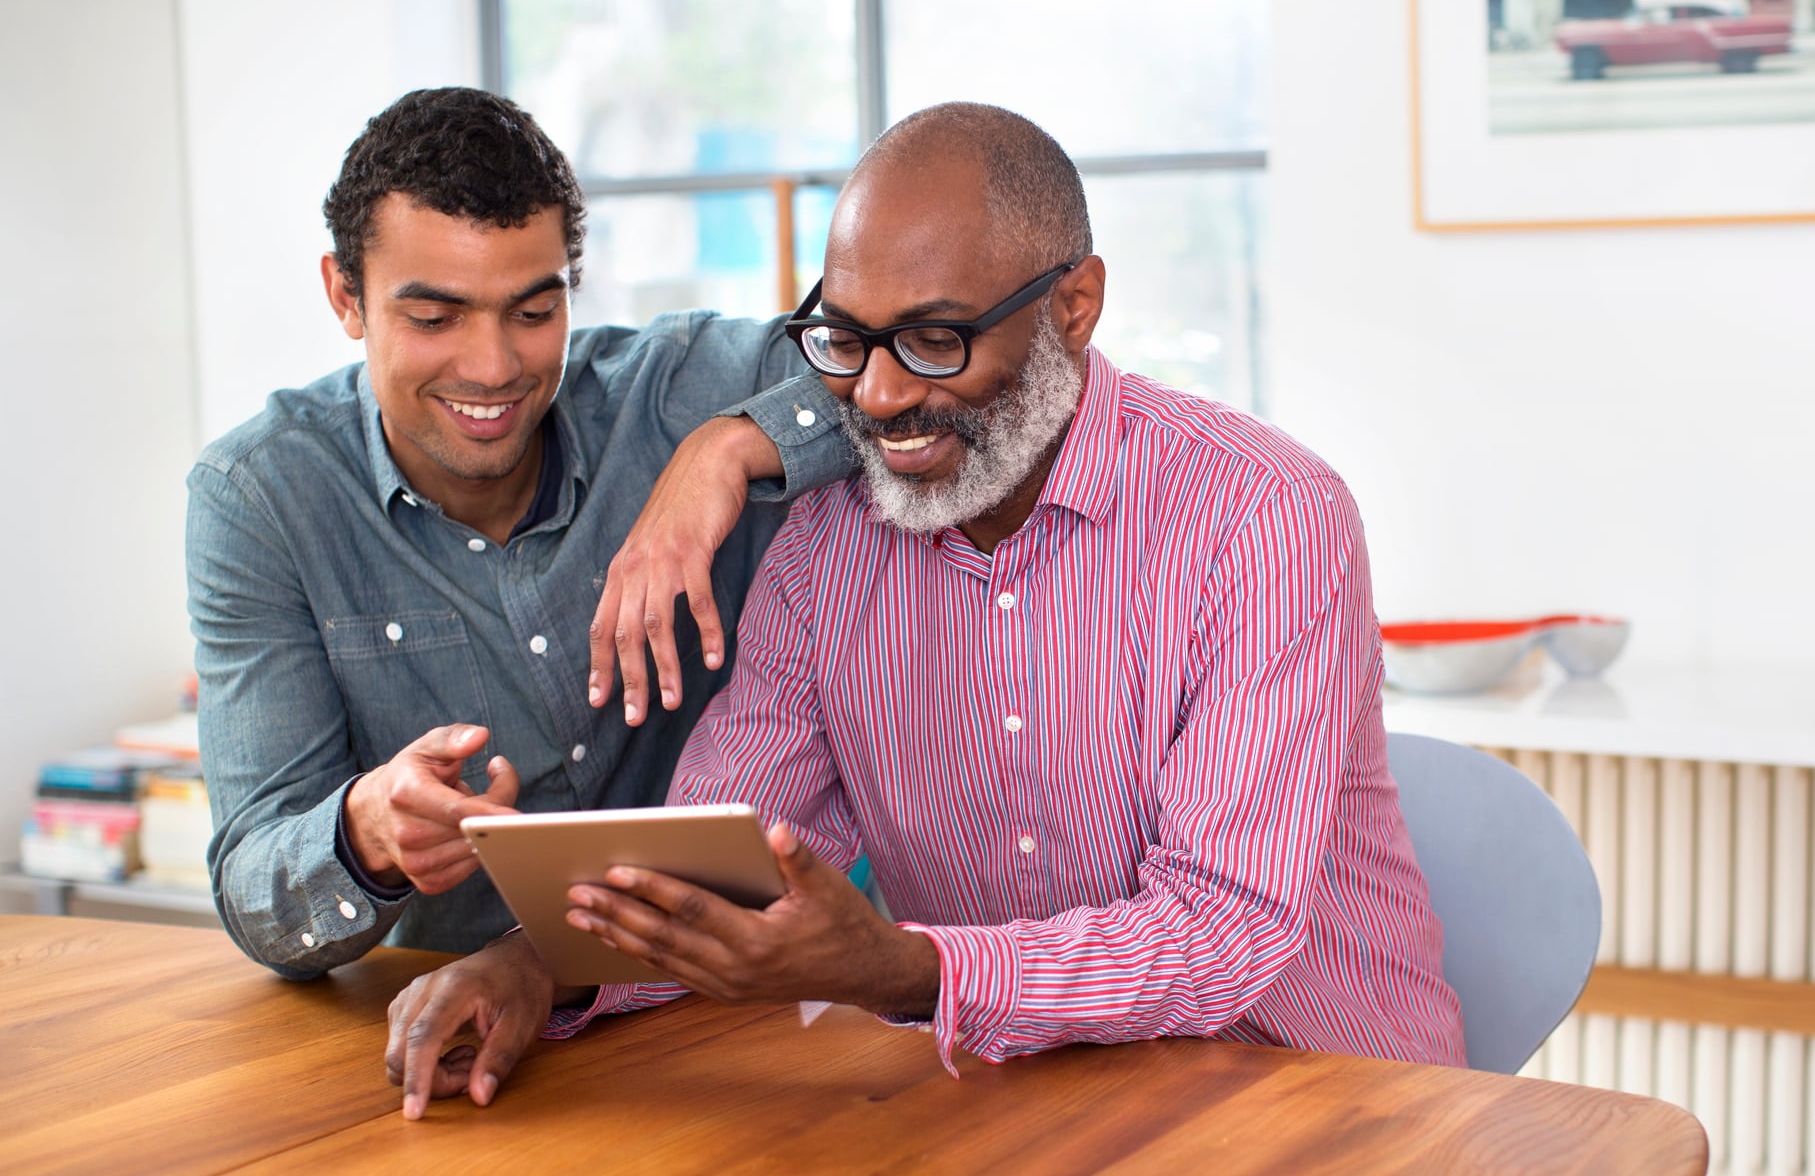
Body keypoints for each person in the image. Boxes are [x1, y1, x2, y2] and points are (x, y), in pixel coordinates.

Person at [387, 102, 1464, 1118]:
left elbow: (1218, 932)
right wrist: (533, 964)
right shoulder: (820, 551)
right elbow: (724, 860)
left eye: (936, 340)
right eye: (846, 340)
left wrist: (910, 969)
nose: (880, 395)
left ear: (1074, 307)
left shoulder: (1263, 518)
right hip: (1025, 1117)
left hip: (1329, 1109)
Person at [187, 87, 852, 979]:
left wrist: (726, 447)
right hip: (474, 1046)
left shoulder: (672, 393)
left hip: (748, 1008)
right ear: (346, 296)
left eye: (534, 313)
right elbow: (258, 899)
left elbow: (911, 365)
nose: (494, 368)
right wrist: (365, 831)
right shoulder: (262, 499)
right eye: (434, 318)